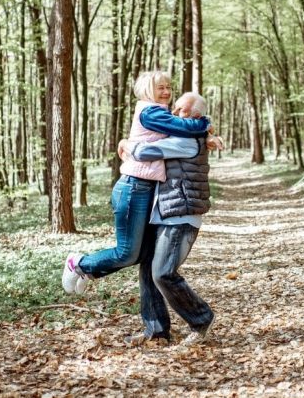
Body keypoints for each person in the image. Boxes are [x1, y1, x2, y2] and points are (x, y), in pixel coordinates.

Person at [62, 72, 210, 294]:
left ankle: (90, 271)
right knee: (128, 252)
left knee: (140, 254)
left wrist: (208, 132)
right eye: (160, 87)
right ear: (148, 89)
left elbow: (183, 128)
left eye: (169, 86)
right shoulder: (150, 112)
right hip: (134, 187)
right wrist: (205, 123)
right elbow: (186, 127)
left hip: (147, 188)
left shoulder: (159, 113)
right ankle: (80, 264)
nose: (167, 92)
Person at [118, 92, 220, 346]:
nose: (175, 114)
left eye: (182, 111)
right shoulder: (183, 135)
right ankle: (157, 331)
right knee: (147, 270)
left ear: (196, 116)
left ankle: (201, 319)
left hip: (181, 215)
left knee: (163, 273)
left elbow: (144, 152)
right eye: (174, 109)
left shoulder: (187, 141)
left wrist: (125, 143)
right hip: (164, 213)